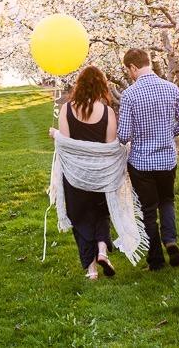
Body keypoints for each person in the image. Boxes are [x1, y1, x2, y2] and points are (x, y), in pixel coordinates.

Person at [118, 48, 179, 271]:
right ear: (148, 62)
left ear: (133, 67)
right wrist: (167, 133)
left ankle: (156, 261)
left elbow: (123, 135)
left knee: (149, 210)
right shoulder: (172, 89)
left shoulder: (130, 95)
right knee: (167, 200)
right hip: (167, 159)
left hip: (141, 162)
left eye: (128, 70)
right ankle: (170, 240)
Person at [49, 66, 119, 281]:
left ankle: (91, 271)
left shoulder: (67, 109)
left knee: (80, 219)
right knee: (100, 215)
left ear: (78, 85)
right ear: (101, 86)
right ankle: (102, 252)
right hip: (99, 174)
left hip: (75, 175)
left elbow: (67, 145)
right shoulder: (107, 112)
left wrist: (57, 136)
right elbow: (109, 145)